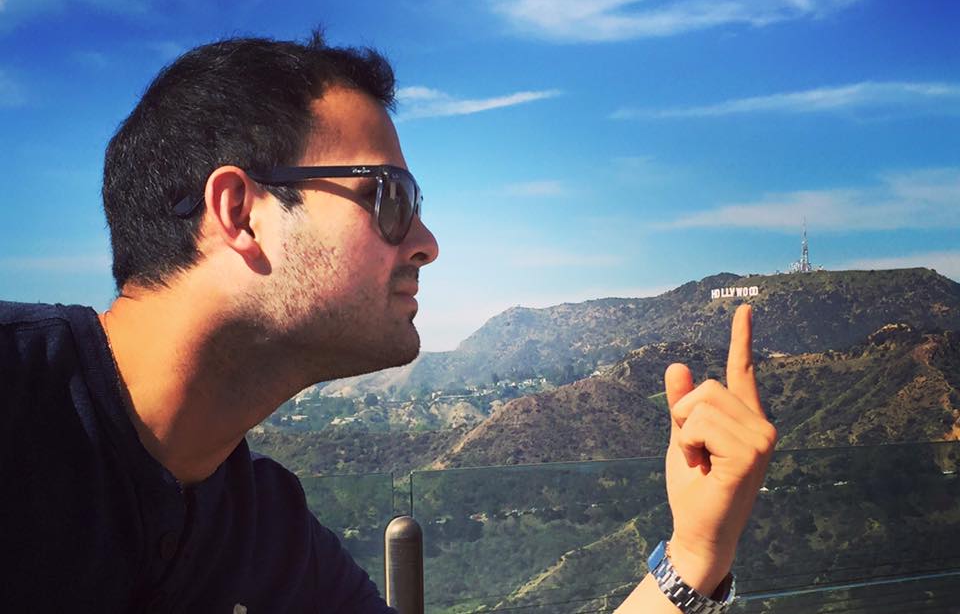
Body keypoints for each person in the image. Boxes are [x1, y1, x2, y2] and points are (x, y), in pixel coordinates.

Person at [0, 31, 776, 613]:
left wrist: (695, 553)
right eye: (388, 196)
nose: (427, 243)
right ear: (240, 212)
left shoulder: (270, 537)